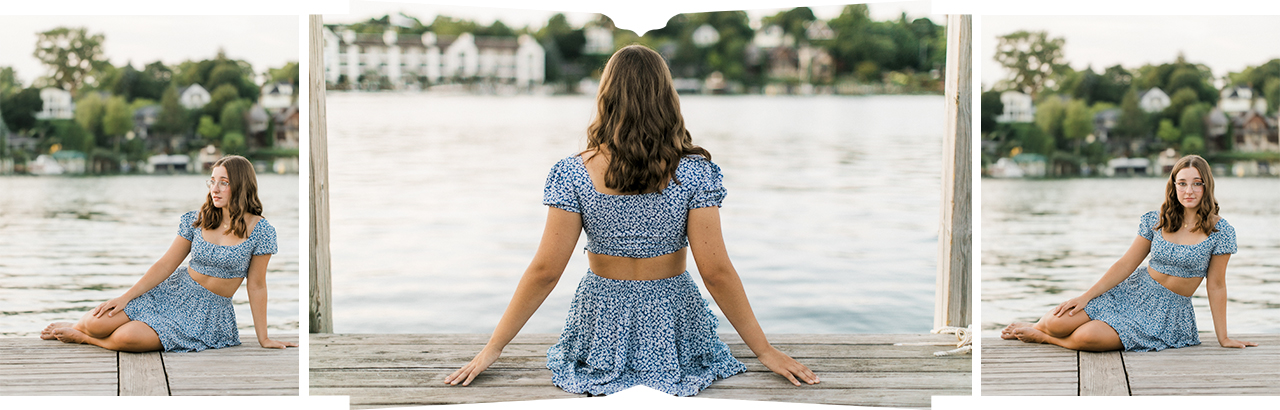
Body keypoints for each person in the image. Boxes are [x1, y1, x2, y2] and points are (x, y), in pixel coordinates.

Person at [444, 45, 818, 396]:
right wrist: (764, 350)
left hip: (601, 328)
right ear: (667, 98)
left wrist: (493, 348)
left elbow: (545, 271)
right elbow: (716, 272)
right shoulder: (695, 172)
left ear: (605, 97)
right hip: (673, 329)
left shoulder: (572, 173)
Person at [40, 155, 296, 352]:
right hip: (174, 291)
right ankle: (78, 326)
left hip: (207, 312)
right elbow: (166, 264)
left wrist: (264, 338)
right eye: (212, 181)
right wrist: (125, 297)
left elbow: (257, 285)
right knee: (99, 322)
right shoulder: (198, 220)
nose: (214, 189)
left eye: (224, 182)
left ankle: (84, 338)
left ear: (240, 185)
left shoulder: (260, 230)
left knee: (127, 338)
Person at [1001, 155, 1254, 352]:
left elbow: (1217, 285)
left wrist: (1223, 337)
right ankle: (1038, 326)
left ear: (1206, 186)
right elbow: (1126, 263)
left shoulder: (1221, 231)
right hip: (1134, 290)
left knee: (1087, 337)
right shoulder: (1158, 220)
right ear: (1174, 186)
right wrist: (1086, 297)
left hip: (1167, 312)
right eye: (1183, 183)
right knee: (1059, 321)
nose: (1189, 191)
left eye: (1197, 184)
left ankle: (1045, 338)